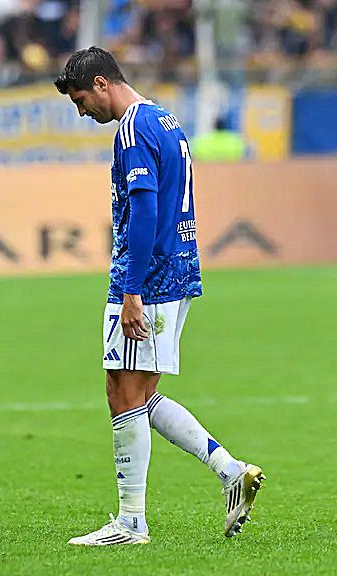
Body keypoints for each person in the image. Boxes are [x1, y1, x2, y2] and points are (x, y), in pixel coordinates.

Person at [54, 46, 265, 545]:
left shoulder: (132, 129)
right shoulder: (165, 120)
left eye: (82, 101)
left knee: (124, 392)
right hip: (174, 270)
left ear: (102, 83)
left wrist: (131, 290)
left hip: (148, 279)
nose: (83, 113)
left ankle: (132, 522)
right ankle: (230, 472)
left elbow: (146, 210)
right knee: (132, 391)